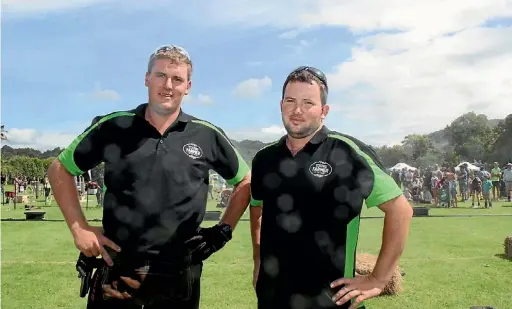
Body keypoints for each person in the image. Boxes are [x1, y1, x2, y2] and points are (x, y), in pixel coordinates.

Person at [47, 45, 251, 309]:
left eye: (177, 79)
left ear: (187, 86)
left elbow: (246, 181)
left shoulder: (206, 134)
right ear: (147, 78)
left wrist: (223, 231)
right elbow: (59, 169)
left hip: (180, 275)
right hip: (118, 269)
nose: (168, 85)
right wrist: (79, 229)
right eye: (161, 75)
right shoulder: (114, 126)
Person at [249, 66, 413, 309]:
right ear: (281, 104)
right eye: (291, 101)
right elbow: (257, 209)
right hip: (272, 297)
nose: (297, 110)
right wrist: (258, 260)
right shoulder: (264, 158)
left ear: (324, 111)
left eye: (308, 103)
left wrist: (378, 278)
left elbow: (400, 210)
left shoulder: (347, 152)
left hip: (331, 299)